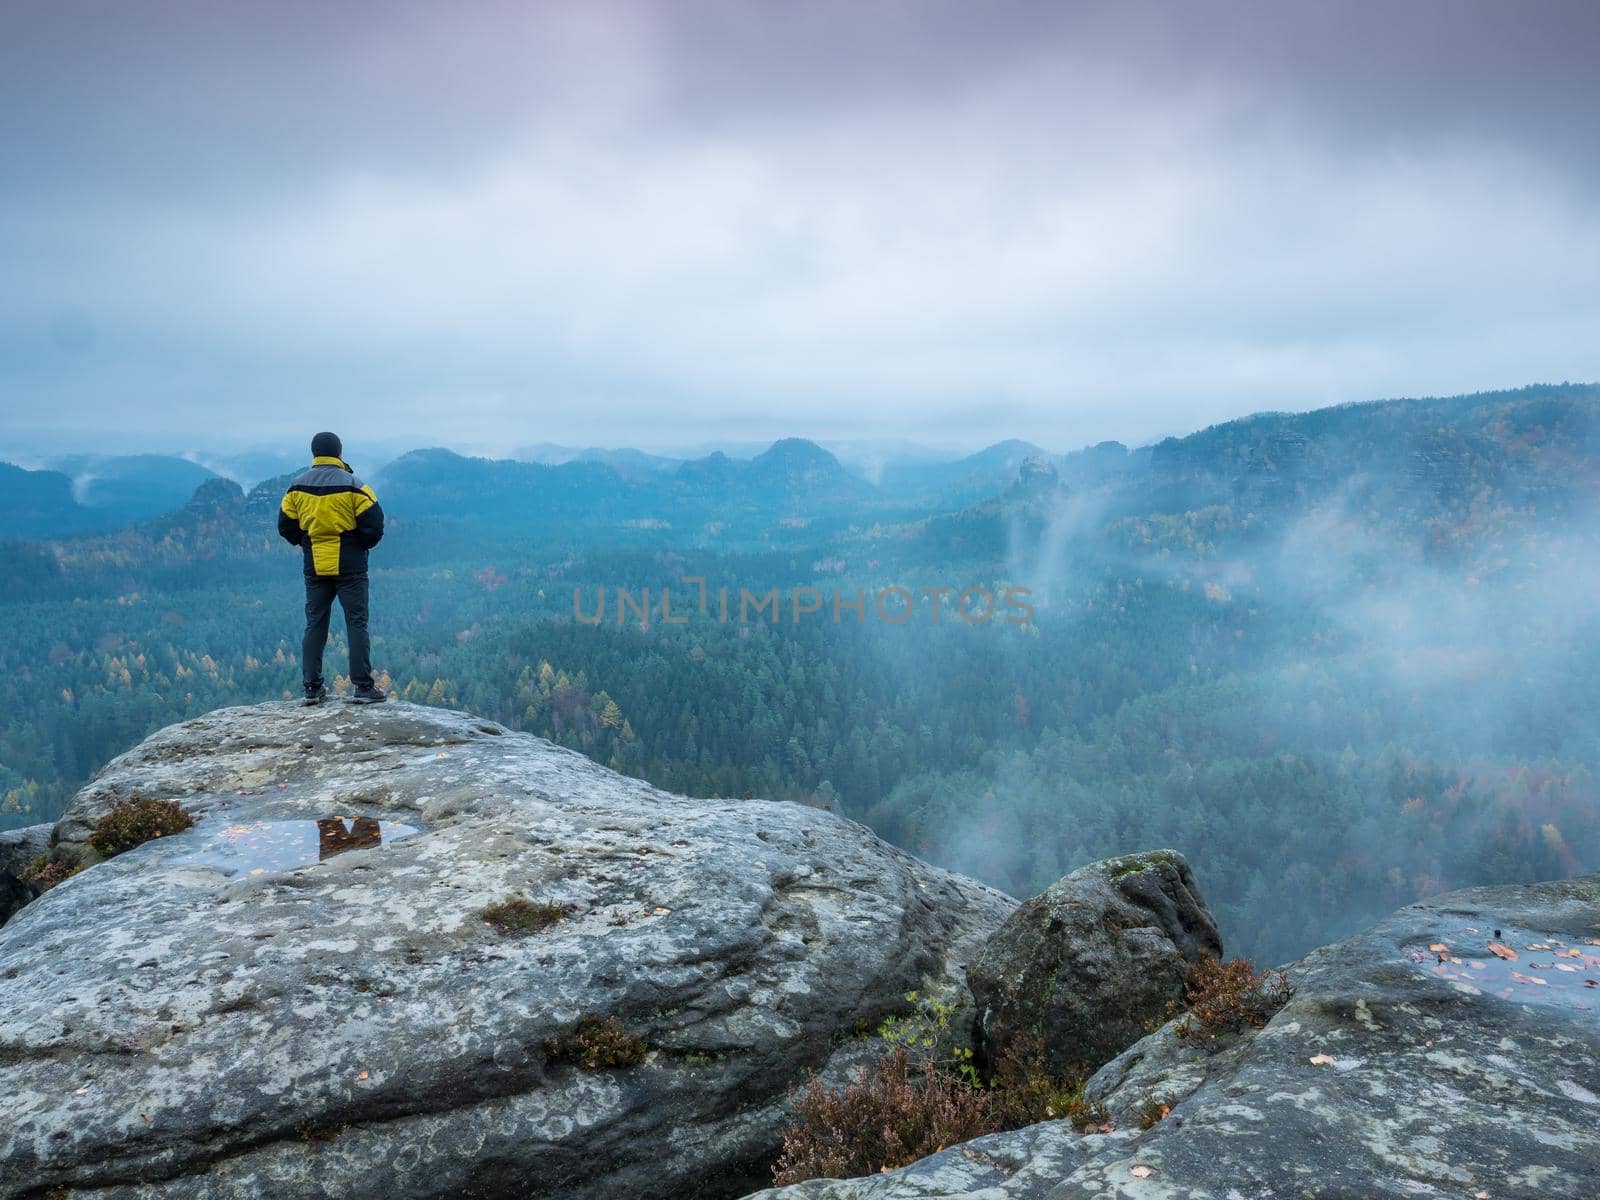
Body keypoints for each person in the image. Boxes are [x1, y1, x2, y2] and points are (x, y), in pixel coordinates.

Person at [277, 432, 387, 705]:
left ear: (314, 453)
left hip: (315, 566)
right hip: (351, 568)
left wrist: (306, 542)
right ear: (339, 452)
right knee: (356, 623)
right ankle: (362, 687)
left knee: (315, 624)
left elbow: (285, 526)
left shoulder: (296, 488)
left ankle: (312, 688)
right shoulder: (355, 486)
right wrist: (357, 546)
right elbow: (374, 526)